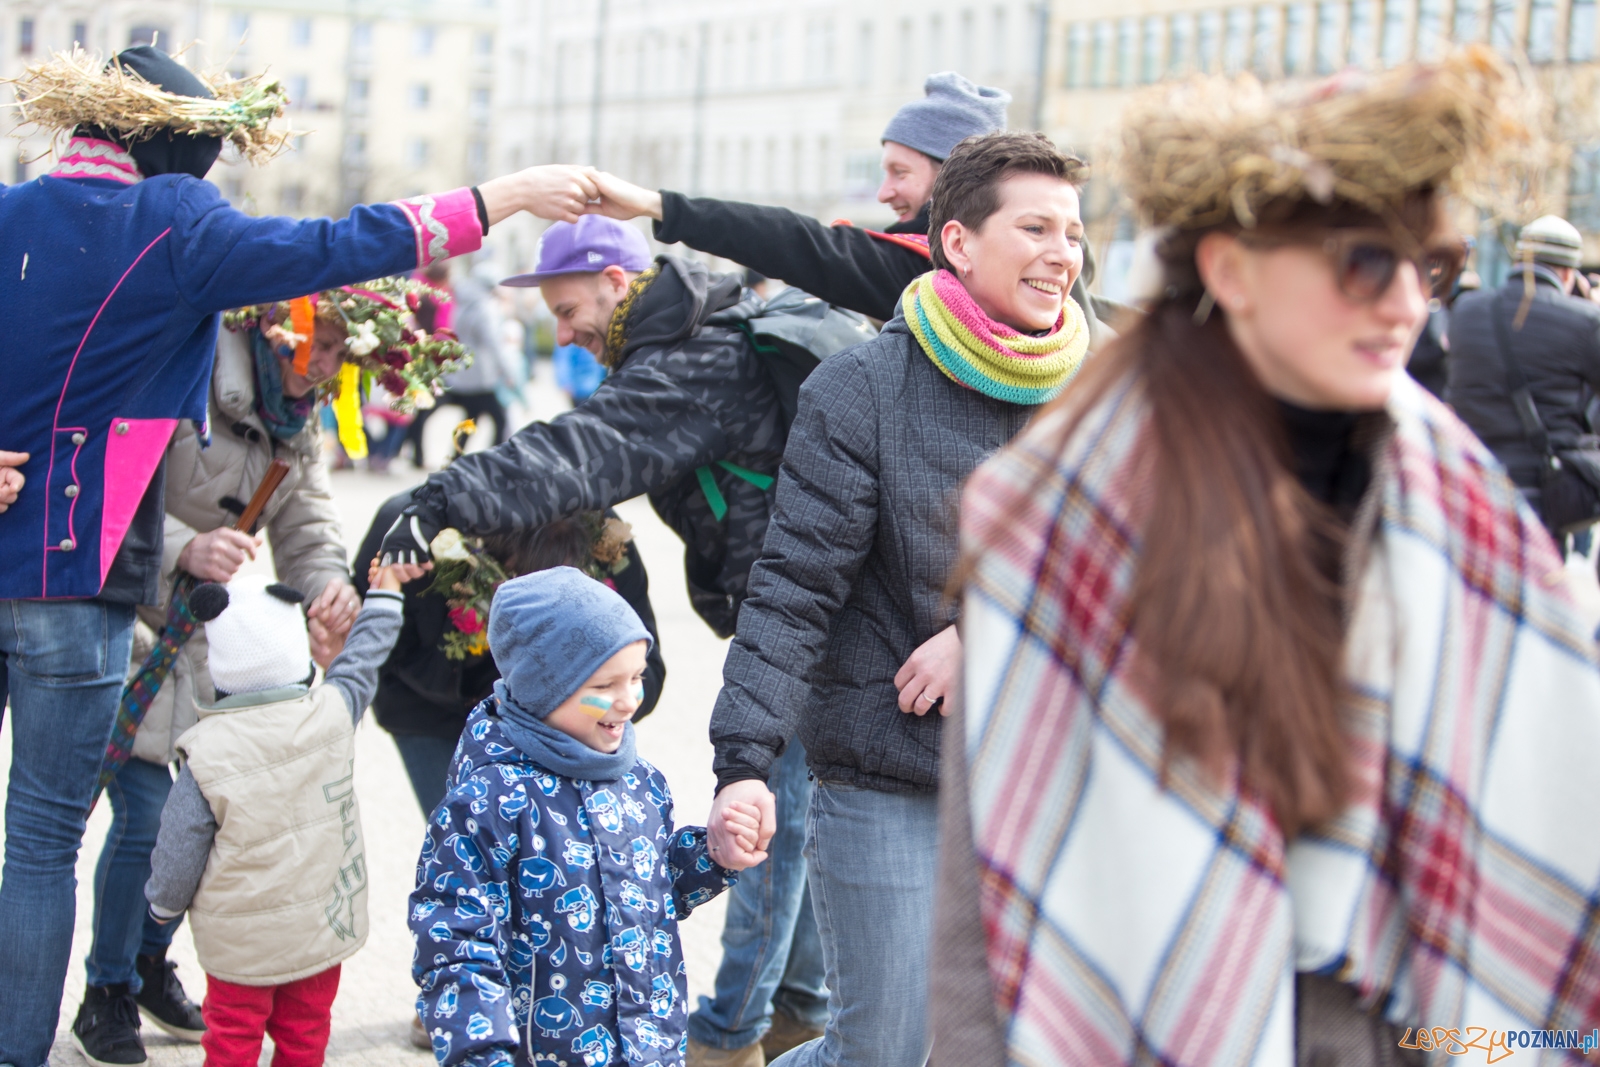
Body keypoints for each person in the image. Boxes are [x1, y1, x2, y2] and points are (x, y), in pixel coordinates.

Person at [937, 48, 1600, 1066]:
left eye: (1427, 271)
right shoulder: (1065, 506)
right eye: (1362, 263)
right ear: (1230, 270)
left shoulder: (1445, 481)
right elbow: (985, 900)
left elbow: (1545, 791)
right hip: (1150, 1022)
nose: (1405, 307)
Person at [0, 41, 599, 1063]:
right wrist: (500, 195)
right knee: (41, 841)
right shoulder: (172, 223)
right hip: (73, 570)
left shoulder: (12, 210)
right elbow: (340, 243)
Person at [706, 131, 1091, 1067]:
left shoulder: (1107, 384)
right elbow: (794, 588)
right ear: (957, 241)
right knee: (883, 1049)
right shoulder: (864, 387)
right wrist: (744, 762)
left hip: (1049, 776)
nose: (1061, 254)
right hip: (892, 770)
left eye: (1074, 234)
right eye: (1034, 227)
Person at [73, 306, 366, 1061]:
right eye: (321, 342)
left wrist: (331, 583)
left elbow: (305, 521)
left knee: (204, 823)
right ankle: (105, 989)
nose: (328, 362)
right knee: (145, 817)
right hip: (128, 613)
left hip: (213, 641)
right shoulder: (189, 364)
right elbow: (105, 480)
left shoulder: (293, 413)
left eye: (342, 349)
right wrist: (184, 545)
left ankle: (145, 963)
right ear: (279, 328)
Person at [408, 566, 748, 1065]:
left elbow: (647, 894)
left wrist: (714, 856)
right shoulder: (489, 802)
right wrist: (481, 1051)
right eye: (605, 684)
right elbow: (456, 944)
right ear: (543, 685)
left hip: (646, 1047)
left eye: (636, 677)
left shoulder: (640, 781)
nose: (630, 700)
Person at [587, 71, 1117, 348]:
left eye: (900, 172)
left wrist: (655, 206)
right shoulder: (1079, 302)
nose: (884, 193)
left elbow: (797, 242)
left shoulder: (929, 270)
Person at [141, 564, 424, 1064]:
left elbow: (181, 844)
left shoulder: (206, 751)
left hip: (239, 944)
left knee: (231, 1036)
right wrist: (386, 593)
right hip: (322, 927)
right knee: (305, 1034)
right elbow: (362, 658)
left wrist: (163, 907)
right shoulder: (331, 714)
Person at [355, 495, 666, 817]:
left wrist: (594, 694)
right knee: (471, 821)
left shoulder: (607, 539)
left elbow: (645, 660)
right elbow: (386, 647)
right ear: (496, 568)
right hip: (431, 711)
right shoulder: (418, 544)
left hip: (566, 725)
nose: (628, 698)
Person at [1448, 214, 1600, 546]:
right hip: (1540, 495)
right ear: (1567, 272)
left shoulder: (1465, 312)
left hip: (1469, 484)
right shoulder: (1586, 322)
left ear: (1518, 260)